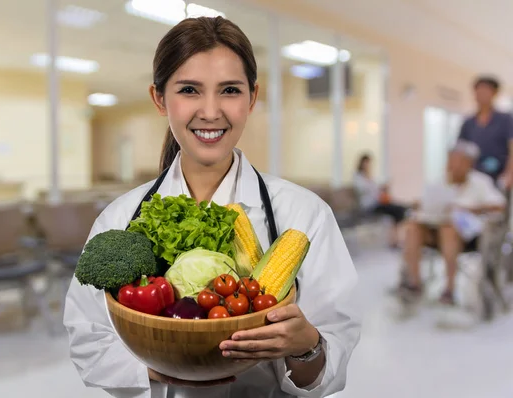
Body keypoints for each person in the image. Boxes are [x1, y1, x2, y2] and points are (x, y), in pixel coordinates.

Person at [63, 16, 360, 398]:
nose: (210, 111)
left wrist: (307, 346)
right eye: (189, 89)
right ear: (159, 99)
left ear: (252, 98)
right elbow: (88, 342)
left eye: (230, 90)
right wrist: (162, 367)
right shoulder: (120, 218)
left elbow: (331, 368)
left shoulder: (305, 214)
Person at [398, 140, 506, 306]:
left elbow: (499, 205)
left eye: (457, 161)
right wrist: (422, 204)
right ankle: (414, 284)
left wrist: (468, 208)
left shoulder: (480, 182)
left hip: (468, 237)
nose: (452, 165)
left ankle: (449, 289)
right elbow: (427, 202)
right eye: (451, 160)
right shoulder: (440, 182)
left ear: (469, 163)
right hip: (434, 230)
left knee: (448, 228)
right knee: (412, 227)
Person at [458, 75, 513, 188]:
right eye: (478, 90)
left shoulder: (505, 119)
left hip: (498, 177)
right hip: (473, 178)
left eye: (486, 90)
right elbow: (460, 150)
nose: (481, 94)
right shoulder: (468, 123)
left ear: (494, 93)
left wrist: (509, 175)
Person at [353, 153, 408, 248]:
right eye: (366, 163)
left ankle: (395, 239)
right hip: (370, 205)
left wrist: (383, 188)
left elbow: (376, 191)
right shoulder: (358, 177)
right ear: (362, 163)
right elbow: (365, 190)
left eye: (369, 163)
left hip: (379, 202)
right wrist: (371, 182)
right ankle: (394, 240)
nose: (368, 165)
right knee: (397, 210)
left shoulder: (370, 177)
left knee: (399, 209)